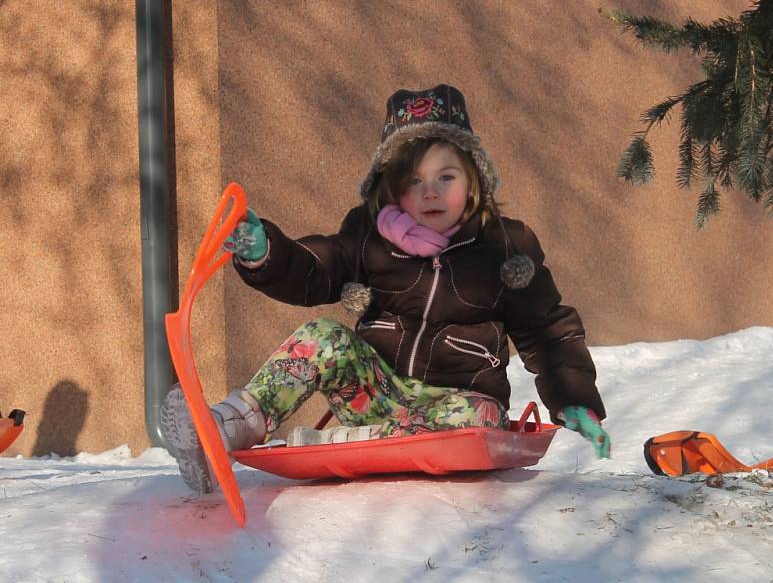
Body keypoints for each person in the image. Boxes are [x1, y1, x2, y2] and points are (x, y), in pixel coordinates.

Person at [160, 84, 610, 494]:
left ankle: (346, 443)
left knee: (483, 419)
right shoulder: (368, 236)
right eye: (414, 181)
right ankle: (222, 430)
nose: (430, 192)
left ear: (474, 178)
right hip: (376, 394)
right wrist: (265, 253)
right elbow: (318, 267)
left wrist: (573, 400)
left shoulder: (505, 248)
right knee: (323, 336)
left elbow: (547, 329)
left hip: (454, 406)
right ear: (393, 189)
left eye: (445, 177)